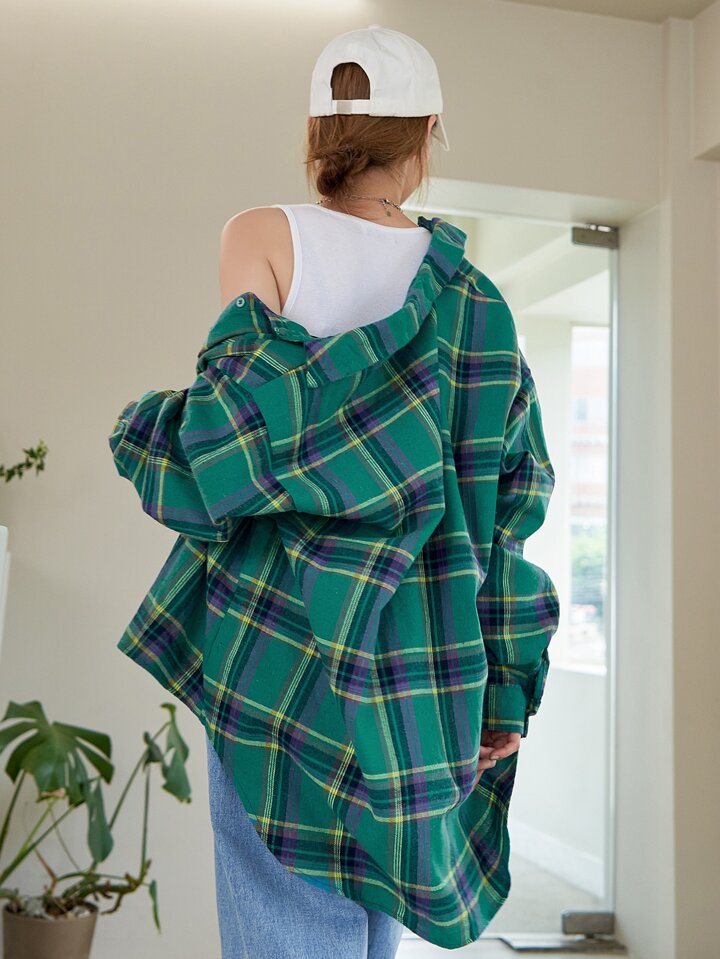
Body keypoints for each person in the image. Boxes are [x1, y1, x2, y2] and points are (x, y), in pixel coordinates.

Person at [109, 22, 559, 958]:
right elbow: (510, 514)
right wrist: (504, 688)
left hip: (279, 646)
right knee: (367, 928)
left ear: (317, 130)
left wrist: (142, 428)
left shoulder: (262, 234)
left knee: (280, 923)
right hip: (423, 669)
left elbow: (225, 441)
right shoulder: (479, 304)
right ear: (427, 132)